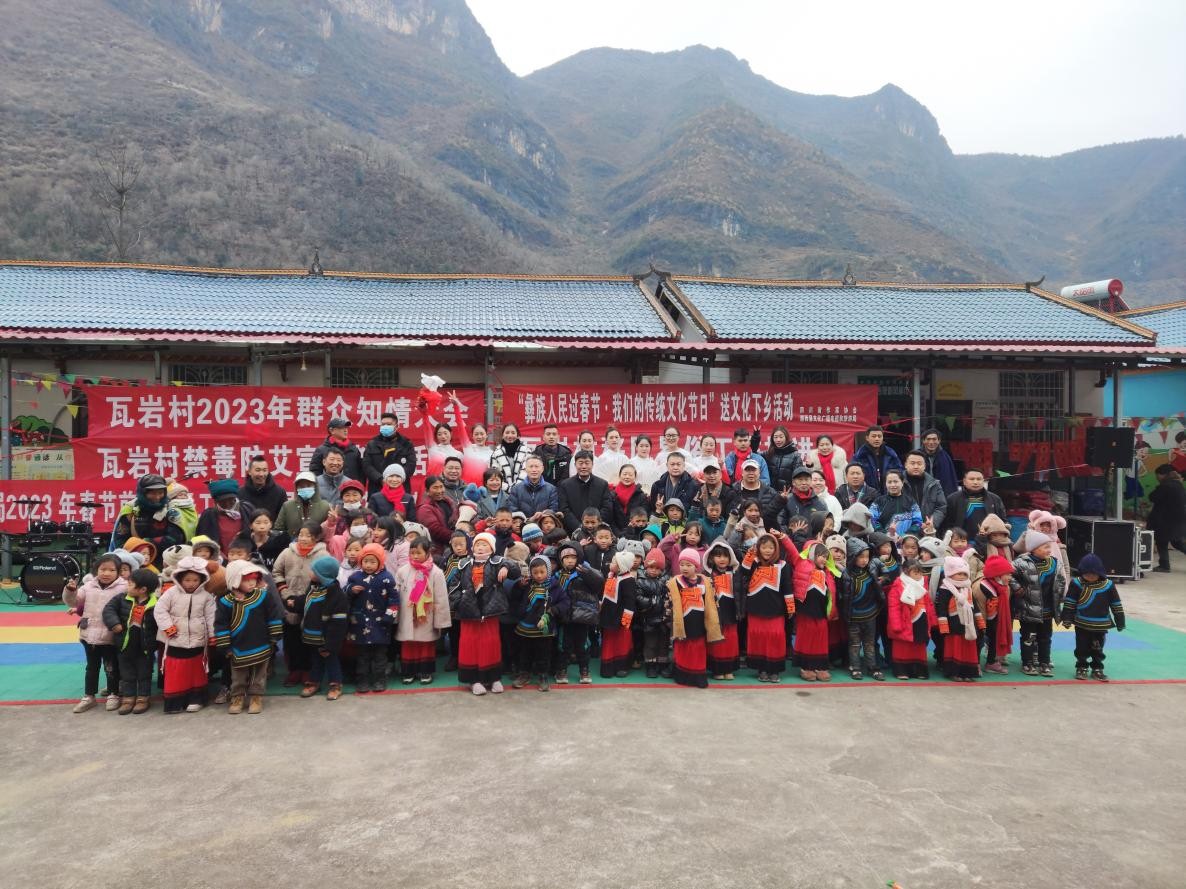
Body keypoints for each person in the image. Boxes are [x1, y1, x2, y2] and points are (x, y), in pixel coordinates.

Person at [214, 560, 284, 714]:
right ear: (234, 581)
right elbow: (221, 624)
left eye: (254, 579)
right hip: (238, 646)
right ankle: (237, 696)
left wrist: (274, 636)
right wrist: (225, 646)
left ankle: (256, 697)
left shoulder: (264, 596)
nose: (252, 583)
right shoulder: (225, 602)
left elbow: (273, 616)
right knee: (238, 674)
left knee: (259, 673)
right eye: (246, 580)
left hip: (261, 642)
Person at [457, 532, 518, 695]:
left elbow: (516, 571)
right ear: (472, 547)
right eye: (478, 544)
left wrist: (506, 567)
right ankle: (473, 680)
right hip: (469, 611)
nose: (481, 547)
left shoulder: (497, 562)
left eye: (484, 545)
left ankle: (493, 678)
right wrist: (458, 603)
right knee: (470, 644)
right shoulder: (463, 564)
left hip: (490, 610)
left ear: (491, 548)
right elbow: (453, 585)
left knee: (490, 643)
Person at [154, 555, 216, 713]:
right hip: (174, 638)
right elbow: (160, 610)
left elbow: (211, 616)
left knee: (196, 670)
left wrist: (212, 635)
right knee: (177, 670)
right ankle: (175, 702)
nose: (191, 583)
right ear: (179, 578)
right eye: (187, 580)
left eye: (195, 580)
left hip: (198, 639)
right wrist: (168, 627)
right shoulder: (171, 593)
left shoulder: (206, 596)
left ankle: (196, 699)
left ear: (202, 579)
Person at [67, 553, 127, 713]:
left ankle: (113, 694)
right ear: (96, 570)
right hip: (89, 635)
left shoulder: (124, 587)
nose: (106, 573)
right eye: (103, 569)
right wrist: (71, 591)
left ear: (118, 572)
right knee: (91, 667)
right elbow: (74, 601)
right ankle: (89, 696)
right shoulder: (88, 586)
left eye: (112, 570)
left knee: (111, 667)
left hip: (110, 636)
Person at [272, 521, 329, 686]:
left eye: (308, 536)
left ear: (316, 538)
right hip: (289, 600)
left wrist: (311, 597)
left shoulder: (323, 555)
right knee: (292, 638)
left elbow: (326, 577)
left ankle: (308, 670)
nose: (303, 538)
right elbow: (276, 572)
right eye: (301, 535)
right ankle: (294, 670)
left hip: (312, 602)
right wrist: (285, 593)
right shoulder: (287, 552)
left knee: (309, 638)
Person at [736, 532, 794, 682]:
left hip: (776, 609)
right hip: (755, 609)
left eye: (771, 547)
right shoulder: (754, 562)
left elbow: (787, 586)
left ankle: (774, 669)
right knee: (759, 638)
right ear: (758, 548)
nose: (767, 550)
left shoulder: (783, 565)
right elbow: (743, 571)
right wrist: (750, 554)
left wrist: (790, 606)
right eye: (764, 547)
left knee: (776, 636)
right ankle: (761, 669)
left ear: (776, 549)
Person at [102, 567, 159, 715]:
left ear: (143, 589)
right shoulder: (121, 599)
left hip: (145, 648)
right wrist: (114, 623)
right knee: (127, 674)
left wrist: (155, 643)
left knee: (144, 674)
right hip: (124, 646)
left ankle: (143, 698)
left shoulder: (156, 604)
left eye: (130, 584)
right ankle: (128, 698)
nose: (127, 586)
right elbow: (108, 610)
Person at [395, 535, 451, 685]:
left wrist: (441, 621)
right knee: (408, 643)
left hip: (427, 615)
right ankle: (409, 671)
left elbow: (441, 598)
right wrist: (396, 616)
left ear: (427, 553)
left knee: (426, 643)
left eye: (418, 553)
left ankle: (425, 671)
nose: (415, 556)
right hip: (408, 614)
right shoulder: (402, 571)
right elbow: (397, 594)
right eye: (412, 552)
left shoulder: (436, 572)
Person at [1060, 553, 1125, 681]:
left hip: (1101, 624)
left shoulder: (1108, 585)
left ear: (1100, 572)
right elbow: (1070, 602)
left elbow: (1116, 604)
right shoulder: (1076, 583)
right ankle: (1081, 666)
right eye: (1087, 574)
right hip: (1081, 623)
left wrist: (1120, 621)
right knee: (1081, 647)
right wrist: (1067, 618)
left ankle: (1097, 668)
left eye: (1094, 574)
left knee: (1098, 648)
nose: (1090, 576)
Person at [1012, 531, 1067, 677]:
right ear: (1034, 548)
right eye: (1045, 547)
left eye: (1049, 546)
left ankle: (1044, 662)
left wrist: (1060, 595)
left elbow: (1061, 580)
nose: (1049, 550)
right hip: (1028, 609)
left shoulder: (1055, 563)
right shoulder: (1021, 562)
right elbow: (1010, 575)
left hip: (1048, 610)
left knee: (1045, 638)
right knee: (1028, 637)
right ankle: (1027, 663)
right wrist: (1017, 588)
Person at [666, 549, 723, 688]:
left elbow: (712, 601)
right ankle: (682, 676)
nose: (684, 568)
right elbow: (670, 603)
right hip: (683, 621)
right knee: (682, 648)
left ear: (696, 566)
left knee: (698, 648)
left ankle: (698, 676)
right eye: (682, 564)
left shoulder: (705, 581)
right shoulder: (675, 582)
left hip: (699, 621)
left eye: (689, 565)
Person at [345, 542, 398, 694]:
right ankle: (362, 680)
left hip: (381, 624)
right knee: (362, 655)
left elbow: (394, 600)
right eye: (365, 561)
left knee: (380, 655)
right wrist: (351, 590)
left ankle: (379, 680)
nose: (368, 565)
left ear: (380, 562)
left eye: (373, 562)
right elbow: (345, 593)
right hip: (360, 624)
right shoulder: (355, 577)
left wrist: (389, 616)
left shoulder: (387, 578)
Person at [512, 554, 568, 692]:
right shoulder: (527, 584)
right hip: (526, 626)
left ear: (548, 570)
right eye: (535, 572)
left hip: (544, 628)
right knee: (524, 652)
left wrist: (553, 611)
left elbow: (565, 602)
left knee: (543, 653)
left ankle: (543, 676)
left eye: (542, 572)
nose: (538, 575)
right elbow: (514, 597)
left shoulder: (554, 586)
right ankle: (524, 674)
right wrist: (519, 586)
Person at [111, 474, 192, 568]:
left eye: (160, 493)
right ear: (142, 493)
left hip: (166, 563)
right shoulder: (131, 510)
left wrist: (145, 543)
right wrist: (134, 556)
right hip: (137, 563)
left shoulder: (172, 510)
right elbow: (120, 540)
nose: (157, 497)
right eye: (152, 493)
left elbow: (175, 538)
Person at [299, 555, 349, 701]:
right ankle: (314, 682)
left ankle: (335, 685)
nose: (310, 572)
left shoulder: (336, 595)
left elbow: (338, 624)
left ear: (323, 575)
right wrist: (292, 602)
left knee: (331, 660)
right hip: (312, 636)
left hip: (326, 638)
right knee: (315, 661)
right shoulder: (313, 588)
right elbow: (305, 603)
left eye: (314, 571)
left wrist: (330, 645)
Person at [553, 540, 603, 685]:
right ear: (561, 560)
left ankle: (584, 670)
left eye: (573, 557)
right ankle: (562, 670)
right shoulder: (557, 575)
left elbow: (599, 583)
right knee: (564, 645)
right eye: (566, 557)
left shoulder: (584, 571)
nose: (570, 560)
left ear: (579, 557)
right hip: (564, 617)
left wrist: (587, 573)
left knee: (583, 645)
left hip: (582, 616)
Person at [934, 556, 985, 682]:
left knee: (968, 649)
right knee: (955, 648)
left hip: (968, 624)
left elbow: (975, 606)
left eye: (964, 574)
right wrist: (944, 626)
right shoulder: (945, 589)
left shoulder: (968, 588)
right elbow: (942, 608)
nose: (962, 576)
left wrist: (980, 622)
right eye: (959, 574)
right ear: (950, 573)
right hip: (953, 625)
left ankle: (968, 672)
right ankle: (954, 672)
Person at [839, 538, 883, 681]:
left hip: (870, 614)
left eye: (867, 556)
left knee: (870, 643)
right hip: (853, 616)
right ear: (853, 557)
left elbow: (885, 569)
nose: (865, 560)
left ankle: (873, 668)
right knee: (854, 644)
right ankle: (855, 667)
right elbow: (843, 596)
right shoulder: (846, 574)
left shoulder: (871, 570)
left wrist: (885, 578)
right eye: (861, 556)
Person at [886, 559, 935, 680]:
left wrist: (932, 619)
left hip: (921, 619)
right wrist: (896, 624)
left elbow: (929, 604)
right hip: (904, 621)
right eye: (915, 573)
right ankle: (902, 670)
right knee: (903, 647)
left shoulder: (923, 585)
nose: (919, 575)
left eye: (920, 573)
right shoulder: (898, 586)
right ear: (906, 572)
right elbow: (893, 607)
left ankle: (919, 671)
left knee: (919, 646)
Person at [793, 541, 836, 682]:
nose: (824, 559)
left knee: (821, 637)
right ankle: (806, 667)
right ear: (812, 555)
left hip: (821, 610)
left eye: (826, 557)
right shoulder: (803, 565)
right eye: (820, 556)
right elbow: (793, 552)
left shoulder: (828, 572)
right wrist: (783, 537)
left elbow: (832, 593)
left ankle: (819, 665)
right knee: (807, 637)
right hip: (806, 610)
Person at [703, 538, 740, 681]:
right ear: (711, 557)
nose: (722, 559)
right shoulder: (707, 574)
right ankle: (717, 669)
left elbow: (741, 592)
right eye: (718, 556)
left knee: (731, 640)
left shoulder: (735, 572)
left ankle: (729, 669)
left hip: (731, 612)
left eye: (725, 556)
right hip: (714, 614)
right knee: (717, 642)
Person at [598, 550, 638, 678]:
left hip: (620, 618)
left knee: (622, 641)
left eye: (614, 562)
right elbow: (605, 594)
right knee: (608, 641)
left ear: (622, 566)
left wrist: (626, 618)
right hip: (608, 615)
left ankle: (622, 666)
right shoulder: (611, 576)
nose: (611, 564)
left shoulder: (628, 580)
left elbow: (630, 601)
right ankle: (608, 667)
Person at [975, 554, 1016, 675]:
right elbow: (980, 609)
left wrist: (998, 624)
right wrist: (982, 626)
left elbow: (1004, 607)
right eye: (1007, 574)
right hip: (979, 617)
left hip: (994, 616)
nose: (1010, 577)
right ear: (997, 575)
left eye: (1010, 574)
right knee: (979, 638)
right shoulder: (980, 588)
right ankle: (975, 663)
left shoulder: (1005, 588)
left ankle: (991, 662)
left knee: (995, 636)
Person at [634, 547, 671, 679]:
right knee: (650, 643)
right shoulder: (640, 580)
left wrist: (667, 604)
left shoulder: (667, 580)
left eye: (657, 568)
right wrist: (651, 602)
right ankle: (650, 665)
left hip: (664, 618)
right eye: (651, 567)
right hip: (648, 617)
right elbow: (638, 597)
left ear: (662, 569)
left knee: (663, 643)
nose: (654, 570)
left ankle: (663, 664)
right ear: (646, 567)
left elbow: (670, 596)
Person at [362, 410, 417, 494]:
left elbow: (411, 465)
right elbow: (367, 465)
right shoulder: (372, 444)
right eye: (383, 424)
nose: (385, 426)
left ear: (396, 426)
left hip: (401, 489)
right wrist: (380, 479)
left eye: (388, 424)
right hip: (377, 489)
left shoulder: (406, 444)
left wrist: (396, 479)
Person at [558, 450, 613, 534]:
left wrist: (595, 524)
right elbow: (564, 509)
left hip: (598, 532)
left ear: (592, 464)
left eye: (587, 463)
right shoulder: (565, 485)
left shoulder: (602, 484)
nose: (584, 466)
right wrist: (578, 527)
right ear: (575, 465)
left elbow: (607, 508)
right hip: (573, 531)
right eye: (580, 463)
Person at [941, 468, 1006, 537]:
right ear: (964, 481)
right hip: (963, 540)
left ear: (983, 481)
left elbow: (1003, 520)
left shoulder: (994, 499)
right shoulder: (953, 499)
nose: (975, 482)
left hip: (990, 539)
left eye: (979, 479)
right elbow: (946, 524)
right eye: (972, 479)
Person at [196, 477, 254, 553]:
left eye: (230, 500)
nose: (227, 504)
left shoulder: (247, 510)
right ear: (216, 502)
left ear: (236, 498)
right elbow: (201, 542)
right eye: (222, 501)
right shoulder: (208, 516)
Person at [1147, 464, 1186, 572]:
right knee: (1177, 543)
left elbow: (1152, 497)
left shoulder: (1165, 486)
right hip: (1178, 519)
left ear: (1163, 475)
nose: (1157, 478)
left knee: (1161, 542)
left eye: (1157, 475)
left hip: (1165, 520)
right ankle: (1164, 565)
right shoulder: (1178, 485)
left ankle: (1164, 565)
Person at [902, 451, 948, 534]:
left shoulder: (934, 484)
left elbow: (941, 507)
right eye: (912, 463)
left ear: (924, 466)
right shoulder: (897, 483)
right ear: (905, 465)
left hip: (928, 530)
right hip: (904, 531)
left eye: (919, 463)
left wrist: (932, 522)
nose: (916, 466)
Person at [732, 458, 784, 530]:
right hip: (738, 532)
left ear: (759, 473)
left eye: (753, 470)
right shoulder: (733, 491)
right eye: (747, 470)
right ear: (742, 473)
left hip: (764, 533)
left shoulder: (771, 493)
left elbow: (776, 518)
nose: (751, 473)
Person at [275, 471, 331, 536]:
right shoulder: (287, 506)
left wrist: (332, 522)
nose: (305, 488)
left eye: (309, 485)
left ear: (315, 487)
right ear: (296, 488)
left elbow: (328, 532)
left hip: (317, 541)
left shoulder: (325, 506)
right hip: (291, 541)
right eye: (301, 486)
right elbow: (278, 530)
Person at [508, 456, 560, 524]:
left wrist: (543, 515)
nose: (534, 470)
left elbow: (553, 509)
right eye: (531, 466)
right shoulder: (516, 489)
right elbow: (513, 511)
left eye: (536, 466)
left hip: (543, 526)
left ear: (542, 469)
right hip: (523, 527)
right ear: (525, 469)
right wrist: (529, 520)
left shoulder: (551, 489)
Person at [870, 470, 922, 537]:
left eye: (895, 482)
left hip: (907, 539)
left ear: (902, 483)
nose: (893, 485)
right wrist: (885, 534)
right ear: (885, 484)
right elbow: (872, 519)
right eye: (889, 482)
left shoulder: (911, 502)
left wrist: (906, 535)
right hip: (884, 540)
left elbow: (918, 521)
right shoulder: (878, 501)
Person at [853, 425, 903, 493]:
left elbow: (899, 472)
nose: (877, 439)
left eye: (879, 436)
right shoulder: (860, 455)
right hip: (867, 494)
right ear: (867, 438)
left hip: (889, 493)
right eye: (873, 436)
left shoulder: (890, 454)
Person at [238, 455, 289, 520]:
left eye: (264, 470)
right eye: (257, 470)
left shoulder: (279, 492)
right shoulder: (240, 493)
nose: (261, 474)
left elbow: (284, 519)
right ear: (249, 472)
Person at [419, 475, 460, 552]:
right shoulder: (424, 508)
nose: (439, 491)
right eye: (435, 488)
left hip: (454, 546)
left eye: (441, 487)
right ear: (427, 491)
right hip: (438, 550)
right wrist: (457, 536)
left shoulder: (449, 502)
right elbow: (435, 530)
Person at [760, 425, 803, 492]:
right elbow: (754, 456)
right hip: (771, 494)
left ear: (786, 437)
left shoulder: (795, 455)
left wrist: (791, 493)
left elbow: (799, 477)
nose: (778, 440)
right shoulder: (768, 454)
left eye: (781, 437)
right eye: (775, 437)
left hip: (788, 494)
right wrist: (756, 438)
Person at [609, 463, 648, 533]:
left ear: (635, 477)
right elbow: (610, 517)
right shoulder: (612, 495)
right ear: (619, 475)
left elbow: (643, 518)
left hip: (635, 533)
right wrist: (618, 534)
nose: (627, 477)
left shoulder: (641, 496)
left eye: (630, 475)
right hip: (614, 534)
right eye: (625, 474)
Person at [920, 428, 960, 496]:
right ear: (923, 441)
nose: (931, 442)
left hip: (940, 495)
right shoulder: (917, 456)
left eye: (934, 439)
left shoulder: (945, 457)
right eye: (928, 439)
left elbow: (949, 480)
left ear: (939, 441)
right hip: (921, 495)